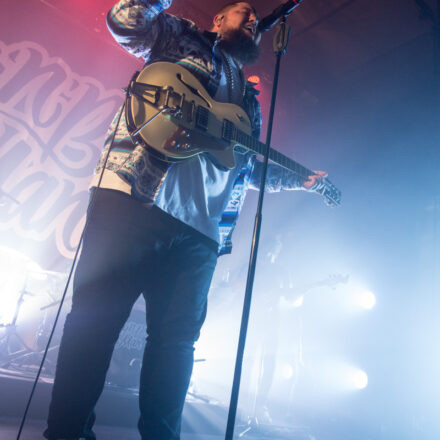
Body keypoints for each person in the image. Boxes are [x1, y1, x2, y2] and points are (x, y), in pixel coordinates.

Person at [43, 1, 327, 439]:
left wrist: (299, 183)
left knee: (176, 348)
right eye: (243, 13)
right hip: (134, 199)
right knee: (94, 324)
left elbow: (244, 167)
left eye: (254, 20)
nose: (252, 20)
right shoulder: (181, 37)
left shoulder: (250, 103)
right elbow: (125, 22)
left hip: (201, 233)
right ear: (218, 20)